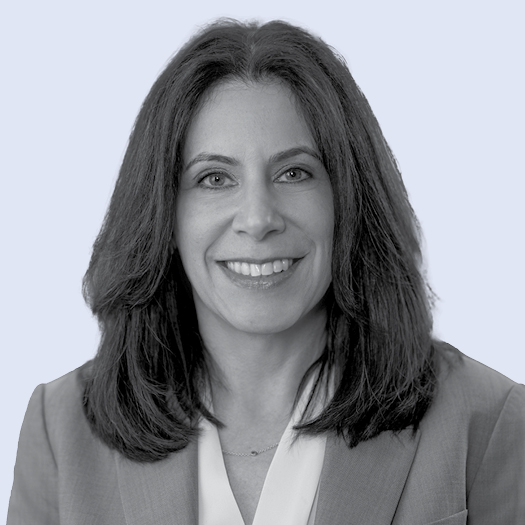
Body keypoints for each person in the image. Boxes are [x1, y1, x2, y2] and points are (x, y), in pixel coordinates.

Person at [8, 19, 525, 525]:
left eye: (294, 172)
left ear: (349, 199)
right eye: (214, 178)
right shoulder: (60, 427)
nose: (257, 220)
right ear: (163, 212)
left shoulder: (487, 419)